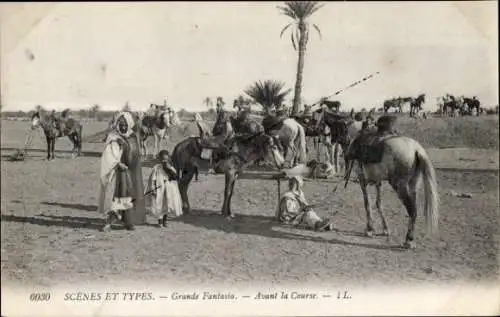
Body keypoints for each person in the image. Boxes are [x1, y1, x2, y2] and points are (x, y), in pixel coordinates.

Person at [98, 111, 144, 231]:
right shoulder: (113, 137)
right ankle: (109, 223)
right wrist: (117, 163)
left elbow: (136, 153)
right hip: (116, 173)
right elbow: (108, 155)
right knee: (115, 197)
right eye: (121, 124)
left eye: (125, 124)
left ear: (129, 124)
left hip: (129, 173)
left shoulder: (133, 136)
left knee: (128, 196)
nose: (123, 127)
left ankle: (128, 221)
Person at [145, 150, 183, 227]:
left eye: (166, 159)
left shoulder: (171, 168)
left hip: (168, 189)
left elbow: (175, 178)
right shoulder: (156, 168)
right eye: (162, 160)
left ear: (168, 159)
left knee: (167, 204)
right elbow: (153, 179)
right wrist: (153, 188)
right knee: (159, 204)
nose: (164, 161)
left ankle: (165, 221)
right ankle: (160, 221)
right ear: (159, 159)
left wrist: (169, 169)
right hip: (160, 189)